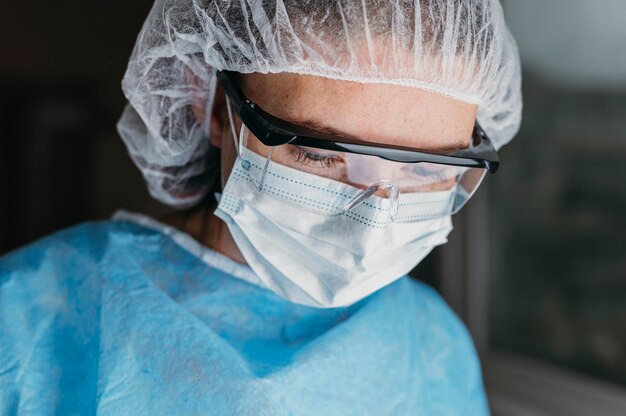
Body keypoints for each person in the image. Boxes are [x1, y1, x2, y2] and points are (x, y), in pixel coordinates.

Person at [0, 1, 521, 414]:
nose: (375, 216)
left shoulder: (434, 346)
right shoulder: (26, 320)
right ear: (217, 110)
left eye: (428, 168)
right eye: (318, 153)